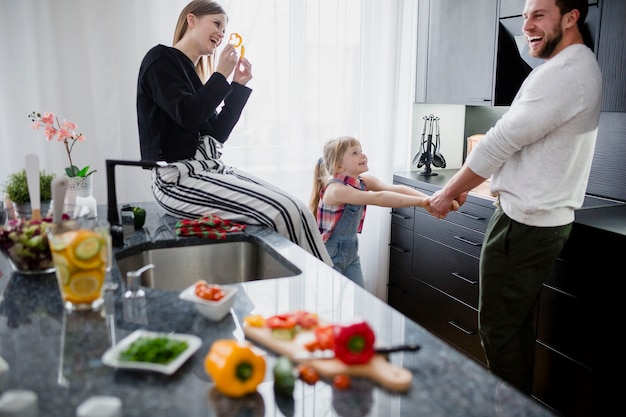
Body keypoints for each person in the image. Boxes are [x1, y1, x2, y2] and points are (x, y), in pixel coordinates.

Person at [428, 0, 602, 395]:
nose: (527, 26)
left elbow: (499, 142)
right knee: (517, 327)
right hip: (544, 221)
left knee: (499, 331)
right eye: (524, 16)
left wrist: (448, 192)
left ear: (571, 17)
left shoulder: (562, 73)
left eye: (539, 15)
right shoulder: (580, 67)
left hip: (523, 224)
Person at [136, 0, 332, 265]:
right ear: (191, 20)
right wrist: (220, 75)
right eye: (216, 23)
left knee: (296, 207)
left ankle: (316, 289)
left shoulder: (194, 78)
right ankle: (315, 290)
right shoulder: (160, 60)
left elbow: (217, 133)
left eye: (225, 29)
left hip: (208, 170)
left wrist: (237, 86)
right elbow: (187, 114)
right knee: (283, 212)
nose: (221, 33)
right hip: (176, 180)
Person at [310, 136, 450, 288]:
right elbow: (379, 198)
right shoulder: (335, 190)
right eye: (354, 153)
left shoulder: (363, 181)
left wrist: (432, 200)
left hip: (351, 253)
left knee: (359, 300)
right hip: (330, 255)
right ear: (339, 167)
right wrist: (423, 203)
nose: (363, 155)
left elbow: (395, 189)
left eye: (361, 150)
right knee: (330, 303)